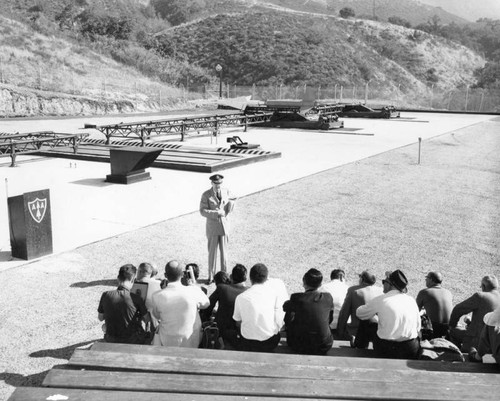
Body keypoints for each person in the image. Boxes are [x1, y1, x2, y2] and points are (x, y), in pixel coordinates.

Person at [356, 269, 421, 359]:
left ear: (390, 284)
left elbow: (360, 313)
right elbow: (418, 327)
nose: (383, 284)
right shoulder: (411, 300)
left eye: (384, 282)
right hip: (410, 349)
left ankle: (359, 350)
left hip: (387, 349)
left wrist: (375, 314)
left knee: (368, 321)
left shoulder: (381, 299)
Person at [152, 260, 210, 347]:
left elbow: (157, 316)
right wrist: (194, 286)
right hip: (192, 340)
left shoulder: (157, 295)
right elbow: (206, 304)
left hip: (167, 340)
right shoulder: (192, 291)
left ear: (165, 275)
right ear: (182, 274)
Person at [233, 263, 287, 352]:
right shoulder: (273, 295)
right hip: (269, 342)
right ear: (266, 278)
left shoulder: (241, 297)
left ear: (250, 278)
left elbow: (237, 321)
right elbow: (278, 318)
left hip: (247, 342)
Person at [283, 268, 334, 355]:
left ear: (304, 282)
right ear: (320, 284)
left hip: (299, 345)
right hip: (324, 345)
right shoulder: (328, 297)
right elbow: (330, 319)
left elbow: (287, 318)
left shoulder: (296, 297)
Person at [97, 264, 150, 344]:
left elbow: (100, 318)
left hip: (111, 339)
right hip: (133, 340)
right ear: (132, 279)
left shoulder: (105, 295)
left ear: (118, 279)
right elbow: (147, 319)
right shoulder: (136, 298)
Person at [449, 275, 500, 352]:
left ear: (483, 286)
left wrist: (452, 325)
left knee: (451, 331)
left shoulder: (481, 296)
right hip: (495, 343)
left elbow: (458, 309)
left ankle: (460, 355)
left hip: (477, 342)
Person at [199, 174, 236, 283]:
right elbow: (202, 211)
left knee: (224, 254)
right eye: (216, 184)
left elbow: (231, 203)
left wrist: (232, 204)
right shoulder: (206, 195)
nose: (218, 186)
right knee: (212, 253)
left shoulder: (226, 191)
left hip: (224, 227)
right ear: (212, 183)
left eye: (220, 183)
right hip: (213, 228)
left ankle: (224, 276)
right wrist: (216, 213)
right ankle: (211, 277)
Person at [204, 264, 248, 348]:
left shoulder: (222, 288)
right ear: (246, 278)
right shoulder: (249, 291)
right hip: (242, 331)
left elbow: (208, 306)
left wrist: (206, 318)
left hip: (223, 331)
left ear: (231, 277)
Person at [337, 270, 383, 348]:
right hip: (376, 331)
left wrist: (339, 331)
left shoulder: (353, 290)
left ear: (362, 279)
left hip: (357, 331)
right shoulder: (380, 291)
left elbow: (344, 313)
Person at [415, 271, 453, 339]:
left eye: (427, 278)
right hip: (448, 327)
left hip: (434, 328)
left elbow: (415, 311)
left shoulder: (424, 292)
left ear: (431, 280)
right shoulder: (448, 292)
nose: (425, 280)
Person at [320, 269, 348, 335]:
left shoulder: (322, 288)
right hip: (343, 327)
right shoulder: (347, 288)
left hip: (326, 326)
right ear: (341, 277)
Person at [135, 262, 162, 328]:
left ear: (140, 271)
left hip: (142, 317)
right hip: (158, 318)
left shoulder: (134, 285)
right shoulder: (159, 284)